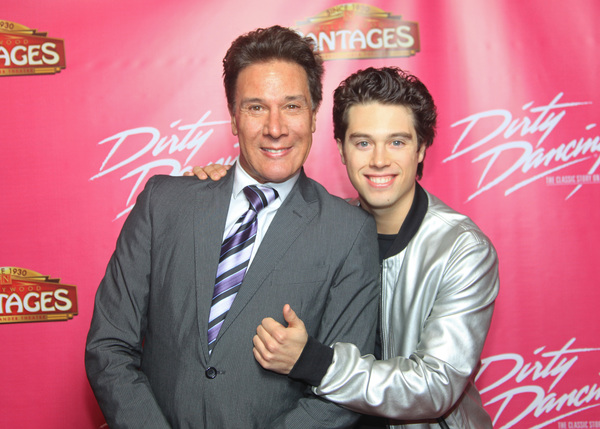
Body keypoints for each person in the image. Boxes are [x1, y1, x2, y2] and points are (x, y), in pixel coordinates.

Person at [85, 26, 380, 429]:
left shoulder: (348, 233)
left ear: (313, 116)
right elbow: (109, 346)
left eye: (292, 107)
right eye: (256, 107)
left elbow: (340, 391)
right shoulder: (163, 202)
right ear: (234, 118)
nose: (275, 128)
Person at [194, 67, 499, 429]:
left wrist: (315, 362)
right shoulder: (326, 228)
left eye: (397, 142)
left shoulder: (462, 249)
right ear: (341, 149)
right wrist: (218, 193)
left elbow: (435, 387)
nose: (379, 159)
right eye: (363, 142)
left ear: (421, 149)